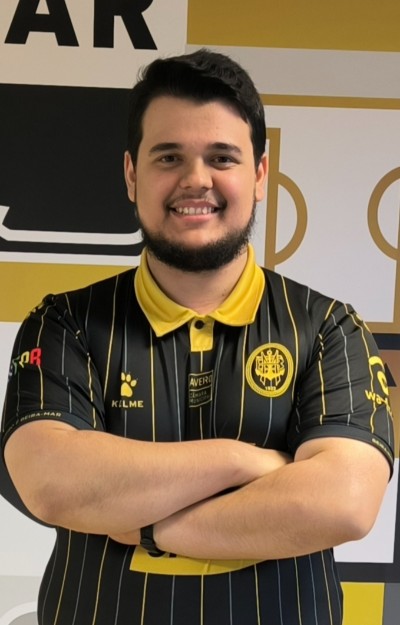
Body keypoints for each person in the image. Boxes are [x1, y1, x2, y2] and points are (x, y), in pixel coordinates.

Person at [0, 49, 394, 625]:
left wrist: (151, 527)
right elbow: (53, 483)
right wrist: (244, 461)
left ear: (259, 176)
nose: (195, 180)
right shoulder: (65, 322)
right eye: (169, 157)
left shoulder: (329, 327)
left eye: (221, 157)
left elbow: (345, 502)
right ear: (132, 174)